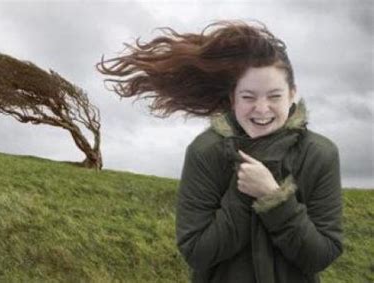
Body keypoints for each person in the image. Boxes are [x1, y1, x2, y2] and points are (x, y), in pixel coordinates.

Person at [96, 20, 343, 283]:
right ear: (232, 98)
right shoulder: (205, 151)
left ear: (292, 94)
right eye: (248, 97)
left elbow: (321, 255)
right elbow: (197, 252)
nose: (261, 109)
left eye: (274, 96)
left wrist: (274, 198)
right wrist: (242, 192)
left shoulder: (320, 154)